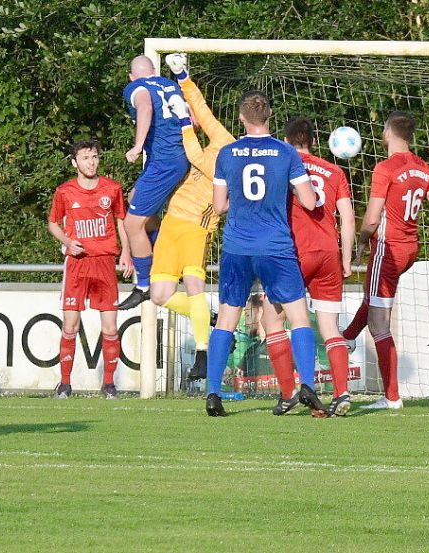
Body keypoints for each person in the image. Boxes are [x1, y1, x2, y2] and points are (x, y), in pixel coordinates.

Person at [204, 90, 325, 417]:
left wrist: (241, 207)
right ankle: (309, 386)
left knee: (227, 318)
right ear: (269, 116)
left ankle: (213, 393)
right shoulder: (286, 152)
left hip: (237, 246)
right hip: (275, 246)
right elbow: (311, 201)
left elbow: (218, 206)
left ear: (241, 118)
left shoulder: (227, 153)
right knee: (298, 316)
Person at [342, 111, 429, 409]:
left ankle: (391, 397)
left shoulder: (385, 168)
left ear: (387, 133)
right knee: (375, 300)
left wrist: (360, 240)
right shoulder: (425, 169)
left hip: (387, 248)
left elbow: (372, 218)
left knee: (380, 324)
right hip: (410, 249)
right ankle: (346, 337)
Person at [260, 117, 357, 417]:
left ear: (286, 141)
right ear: (313, 142)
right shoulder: (335, 171)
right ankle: (342, 394)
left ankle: (289, 391)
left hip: (295, 254)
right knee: (330, 328)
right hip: (329, 253)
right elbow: (348, 218)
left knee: (271, 320)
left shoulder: (282, 168)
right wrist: (346, 259)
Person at [148, 53, 232, 380]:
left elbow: (195, 155)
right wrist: (183, 77)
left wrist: (184, 126)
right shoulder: (223, 138)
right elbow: (202, 109)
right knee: (160, 296)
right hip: (171, 223)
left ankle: (202, 352)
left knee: (195, 285)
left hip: (197, 228)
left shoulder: (230, 161)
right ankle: (205, 315)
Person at [47, 140, 132, 399]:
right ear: (75, 163)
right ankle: (64, 383)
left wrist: (126, 253)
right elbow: (52, 223)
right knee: (70, 326)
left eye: (94, 156)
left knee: (110, 328)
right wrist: (66, 241)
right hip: (78, 264)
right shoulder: (65, 192)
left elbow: (121, 221)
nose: (91, 162)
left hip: (105, 262)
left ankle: (108, 384)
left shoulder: (112, 189)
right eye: (85, 158)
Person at [118, 55, 190, 310]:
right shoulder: (171, 85)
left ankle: (144, 284)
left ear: (131, 76)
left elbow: (145, 106)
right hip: (177, 157)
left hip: (164, 162)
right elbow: (192, 116)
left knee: (131, 224)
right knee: (135, 198)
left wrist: (138, 146)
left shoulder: (137, 87)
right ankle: (163, 254)